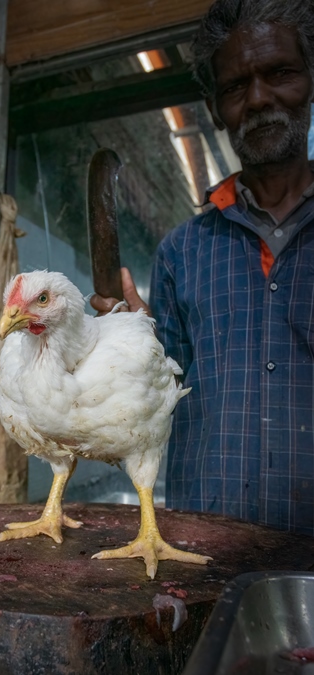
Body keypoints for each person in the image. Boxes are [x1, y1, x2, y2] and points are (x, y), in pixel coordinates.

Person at [91, 0, 314, 535]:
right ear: (216, 109)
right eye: (236, 86)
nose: (258, 98)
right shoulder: (181, 252)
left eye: (278, 73)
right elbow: (159, 395)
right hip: (201, 549)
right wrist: (129, 343)